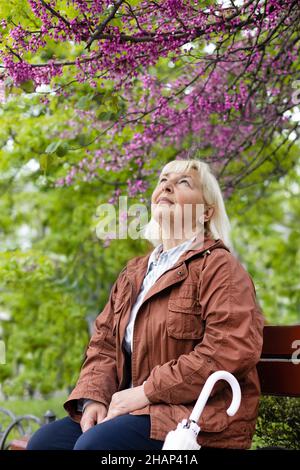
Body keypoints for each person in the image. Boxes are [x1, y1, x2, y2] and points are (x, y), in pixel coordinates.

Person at [27, 159, 264, 450]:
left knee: (95, 447)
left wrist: (146, 393)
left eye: (183, 182)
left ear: (205, 212)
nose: (166, 185)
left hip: (197, 420)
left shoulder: (219, 268)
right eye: (163, 179)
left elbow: (229, 349)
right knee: (45, 443)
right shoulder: (134, 273)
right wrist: (94, 399)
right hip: (134, 411)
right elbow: (103, 344)